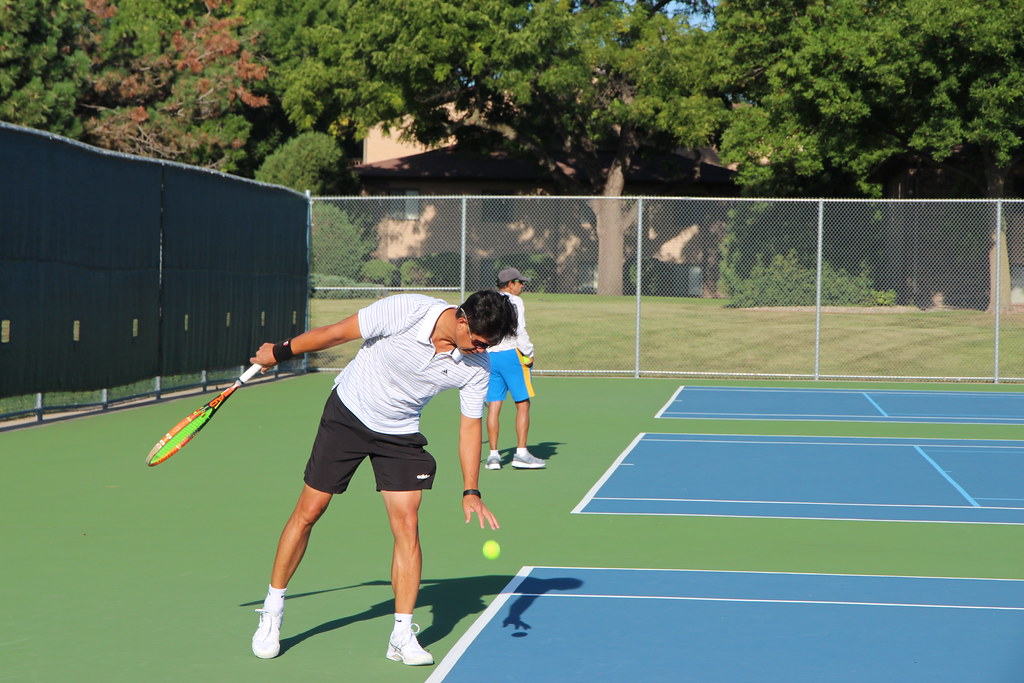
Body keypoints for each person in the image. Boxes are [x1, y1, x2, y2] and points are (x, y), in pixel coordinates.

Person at [248, 291, 517, 666]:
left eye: (488, 344)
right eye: (479, 339)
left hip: (401, 431)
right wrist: (279, 352)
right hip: (349, 412)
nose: (482, 348)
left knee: (408, 524)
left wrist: (471, 489)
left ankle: (402, 634)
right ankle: (272, 612)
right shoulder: (408, 310)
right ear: (461, 320)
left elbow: (470, 427)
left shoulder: (477, 364)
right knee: (310, 510)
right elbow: (337, 333)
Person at [484, 267, 545, 470]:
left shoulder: (489, 300)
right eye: (519, 282)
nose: (522, 285)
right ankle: (521, 453)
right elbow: (520, 331)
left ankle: (493, 456)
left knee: (494, 405)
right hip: (512, 356)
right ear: (510, 284)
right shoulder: (515, 301)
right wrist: (529, 352)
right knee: (523, 403)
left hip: (490, 357)